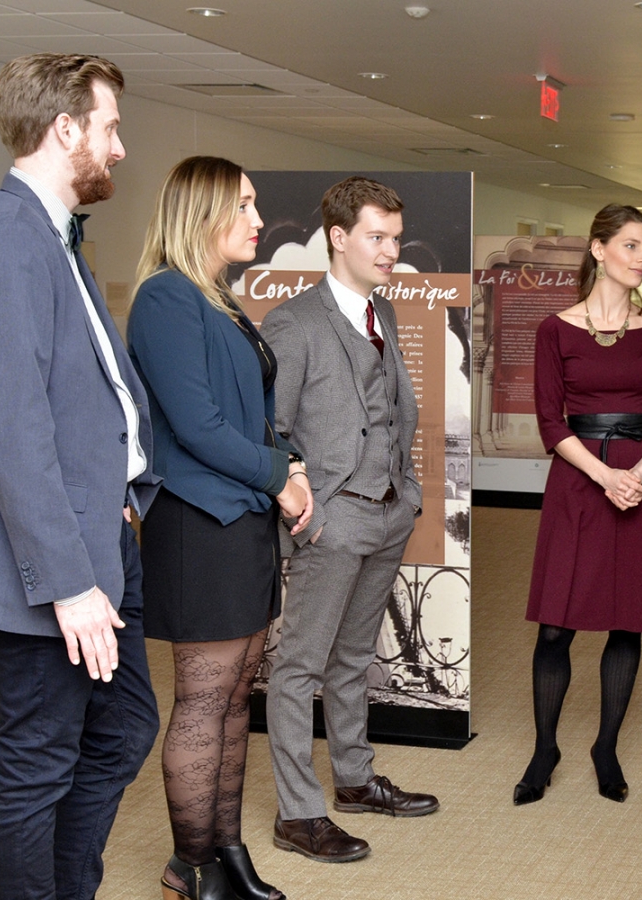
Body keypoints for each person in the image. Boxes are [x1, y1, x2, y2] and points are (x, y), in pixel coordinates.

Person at [0, 53, 161, 899]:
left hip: (105, 537)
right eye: (110, 127)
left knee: (125, 727)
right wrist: (67, 582)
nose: (120, 147)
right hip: (58, 564)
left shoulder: (54, 237)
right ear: (65, 130)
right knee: (36, 759)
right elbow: (14, 432)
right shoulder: (3, 240)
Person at [127, 157, 315, 900]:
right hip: (198, 525)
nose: (258, 219)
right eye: (243, 204)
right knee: (203, 701)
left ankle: (227, 852)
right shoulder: (166, 299)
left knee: (238, 697)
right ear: (201, 213)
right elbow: (199, 428)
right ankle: (190, 865)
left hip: (241, 521)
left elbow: (252, 417)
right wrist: (284, 480)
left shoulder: (217, 300)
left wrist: (288, 465)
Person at [262, 176, 437, 864]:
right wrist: (311, 508)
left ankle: (356, 781)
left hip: (388, 515)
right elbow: (272, 430)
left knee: (355, 660)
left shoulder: (382, 311)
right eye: (377, 237)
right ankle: (298, 814)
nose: (391, 249)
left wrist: (412, 490)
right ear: (338, 237)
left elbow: (395, 412)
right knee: (300, 668)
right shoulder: (295, 322)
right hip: (332, 521)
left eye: (395, 237)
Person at [514, 203, 642, 806]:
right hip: (578, 484)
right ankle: (545, 749)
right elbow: (547, 420)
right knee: (556, 626)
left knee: (625, 620)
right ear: (598, 250)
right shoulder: (554, 329)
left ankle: (606, 746)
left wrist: (634, 473)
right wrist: (604, 475)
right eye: (632, 246)